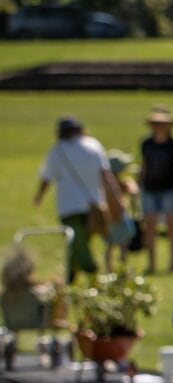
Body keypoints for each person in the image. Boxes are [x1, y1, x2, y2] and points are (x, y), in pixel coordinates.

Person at [32, 116, 125, 280]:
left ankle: (93, 275)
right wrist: (117, 198)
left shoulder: (58, 150)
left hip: (69, 206)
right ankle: (70, 277)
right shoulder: (94, 145)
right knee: (79, 244)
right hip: (94, 205)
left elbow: (47, 178)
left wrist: (39, 197)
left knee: (78, 245)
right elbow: (106, 175)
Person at [136, 105, 173, 274]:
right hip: (150, 189)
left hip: (170, 190)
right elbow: (144, 166)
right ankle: (152, 264)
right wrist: (140, 185)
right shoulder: (147, 144)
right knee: (149, 227)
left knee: (172, 226)